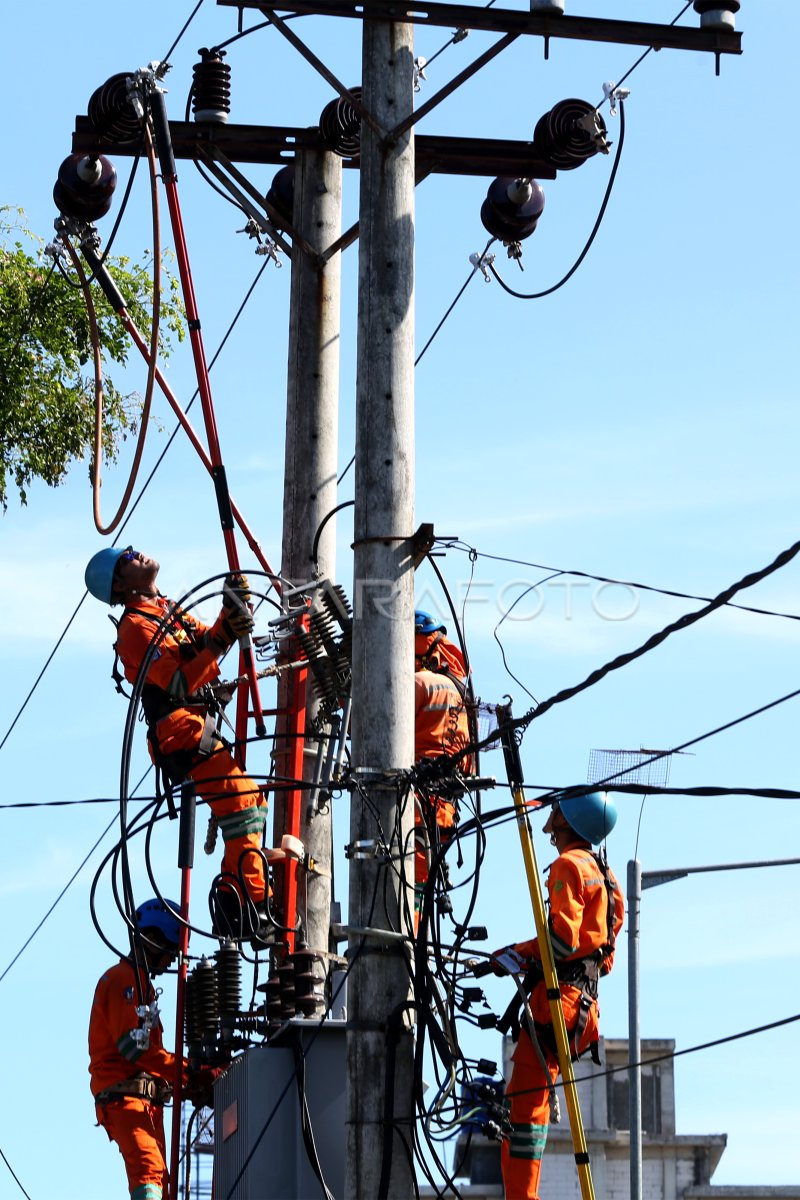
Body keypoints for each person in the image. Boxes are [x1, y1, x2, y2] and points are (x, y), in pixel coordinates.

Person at [85, 547, 270, 942]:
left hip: (197, 727)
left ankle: (238, 894)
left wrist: (232, 608)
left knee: (253, 803)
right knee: (240, 803)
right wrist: (225, 637)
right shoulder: (134, 629)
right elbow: (180, 682)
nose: (138, 552)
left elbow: (208, 641)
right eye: (127, 557)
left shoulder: (166, 610)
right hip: (180, 734)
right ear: (119, 584)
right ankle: (249, 902)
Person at [492, 791, 625, 1200]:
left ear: (569, 822)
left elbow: (563, 942)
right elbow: (604, 952)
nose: (552, 817)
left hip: (559, 1003)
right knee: (534, 1099)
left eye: (558, 812)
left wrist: (521, 953)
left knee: (524, 1111)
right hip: (586, 1012)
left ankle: (521, 1196)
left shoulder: (568, 866)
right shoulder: (605, 874)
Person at [89, 897, 188, 1200]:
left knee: (161, 1180)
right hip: (125, 1099)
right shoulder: (122, 980)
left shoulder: (141, 984)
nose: (171, 960)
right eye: (170, 950)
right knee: (148, 1168)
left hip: (146, 1104)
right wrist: (186, 1071)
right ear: (153, 939)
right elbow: (134, 1050)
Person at [413, 610, 472, 927]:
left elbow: (372, 727)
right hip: (445, 809)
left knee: (406, 886)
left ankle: (405, 955)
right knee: (421, 881)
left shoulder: (417, 683)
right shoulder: (461, 693)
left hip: (413, 803)